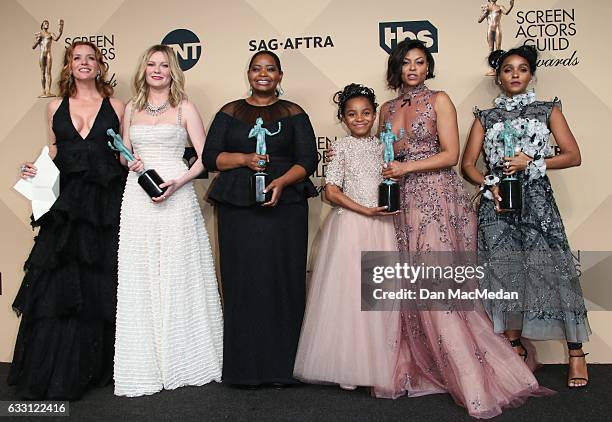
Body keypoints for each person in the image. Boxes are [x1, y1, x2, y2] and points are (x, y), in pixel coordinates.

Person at [377, 39, 551, 418]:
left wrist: (405, 168)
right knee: (411, 283)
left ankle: (472, 377)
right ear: (396, 68)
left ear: (428, 67)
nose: (413, 69)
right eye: (406, 62)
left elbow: (452, 156)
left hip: (437, 198)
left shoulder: (439, 99)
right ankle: (430, 364)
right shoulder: (386, 109)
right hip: (400, 201)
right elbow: (385, 156)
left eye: (420, 62)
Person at [461, 45, 591, 388]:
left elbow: (573, 155)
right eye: (507, 69)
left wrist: (531, 163)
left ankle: (576, 353)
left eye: (521, 68)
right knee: (505, 275)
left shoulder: (547, 110)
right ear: (499, 76)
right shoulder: (485, 117)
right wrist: (489, 183)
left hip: (536, 201)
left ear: (531, 74)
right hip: (498, 204)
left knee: (553, 271)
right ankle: (515, 346)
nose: (515, 74)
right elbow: (467, 166)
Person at [9, 41, 125, 400]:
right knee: (60, 280)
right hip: (66, 203)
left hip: (104, 203)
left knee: (99, 278)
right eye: (77, 58)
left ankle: (94, 366)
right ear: (68, 66)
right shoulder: (54, 106)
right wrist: (33, 167)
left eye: (91, 58)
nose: (85, 63)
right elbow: (55, 150)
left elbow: (123, 154)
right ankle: (55, 365)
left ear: (100, 66)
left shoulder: (118, 106)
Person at [202, 50, 318, 387]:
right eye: (256, 69)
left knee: (284, 279)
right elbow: (211, 157)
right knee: (243, 281)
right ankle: (243, 369)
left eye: (270, 69)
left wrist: (281, 182)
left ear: (280, 76)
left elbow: (308, 160)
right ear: (248, 74)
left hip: (286, 206)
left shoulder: (295, 113)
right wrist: (243, 158)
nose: (263, 74)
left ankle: (285, 367)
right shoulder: (229, 112)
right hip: (238, 207)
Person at [113, 45, 223, 397]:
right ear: (143, 69)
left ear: (173, 70)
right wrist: (128, 162)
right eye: (151, 64)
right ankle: (145, 361)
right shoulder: (130, 107)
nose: (157, 70)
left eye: (164, 65)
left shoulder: (185, 107)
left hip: (177, 191)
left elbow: (205, 157)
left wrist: (180, 180)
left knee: (179, 272)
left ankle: (185, 358)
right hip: (138, 194)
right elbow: (122, 152)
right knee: (141, 273)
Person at [293, 84, 399, 392]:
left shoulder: (385, 144)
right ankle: (349, 367)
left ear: (374, 114)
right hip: (352, 226)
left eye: (366, 113)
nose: (360, 119)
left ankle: (381, 363)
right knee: (350, 298)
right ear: (343, 118)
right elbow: (332, 190)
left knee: (378, 296)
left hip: (382, 228)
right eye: (352, 114)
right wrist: (364, 210)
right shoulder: (340, 147)